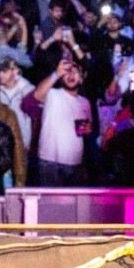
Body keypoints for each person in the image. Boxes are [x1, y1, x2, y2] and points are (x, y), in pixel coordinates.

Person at [24, 56, 92, 187]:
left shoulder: (85, 102)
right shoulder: (52, 94)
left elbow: (87, 129)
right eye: (67, 72)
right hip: (49, 161)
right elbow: (37, 95)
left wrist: (88, 130)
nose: (71, 75)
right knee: (50, 199)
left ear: (82, 79)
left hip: (75, 161)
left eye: (75, 73)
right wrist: (56, 73)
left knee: (72, 199)